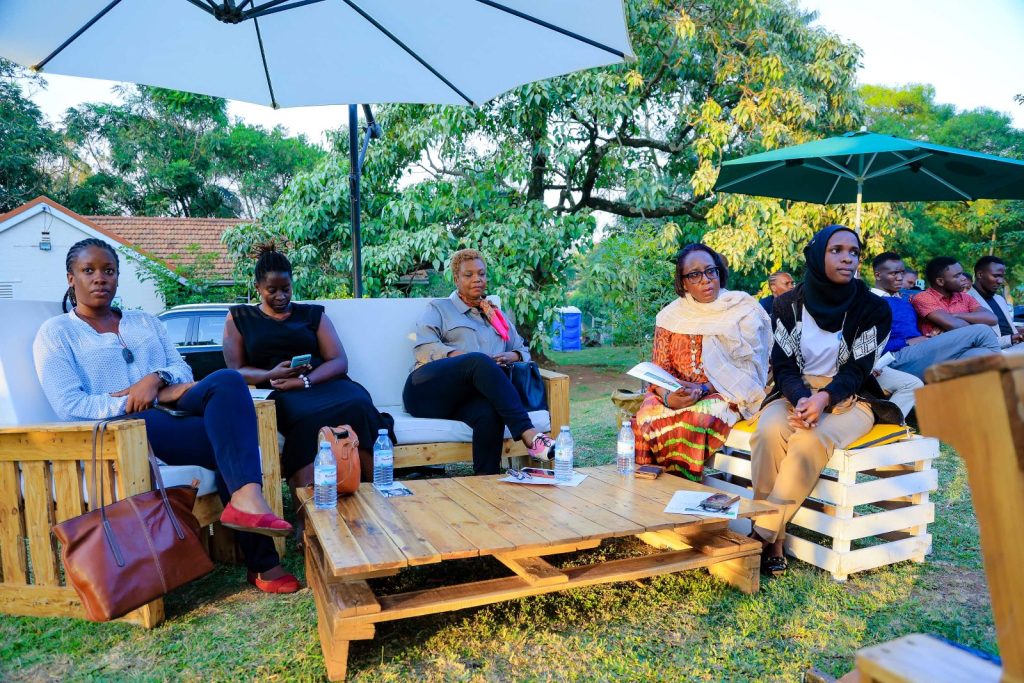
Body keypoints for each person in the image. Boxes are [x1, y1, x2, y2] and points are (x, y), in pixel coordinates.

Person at [33, 238, 298, 594]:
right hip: (126, 427)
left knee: (228, 379)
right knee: (228, 441)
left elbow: (181, 367)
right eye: (89, 271)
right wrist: (133, 400)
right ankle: (263, 560)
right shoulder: (57, 333)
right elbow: (69, 404)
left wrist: (155, 380)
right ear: (71, 278)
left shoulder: (144, 321)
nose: (100, 279)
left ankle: (246, 503)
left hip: (172, 404)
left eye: (108, 271)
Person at [750, 225, 903, 575]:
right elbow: (785, 366)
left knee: (809, 439)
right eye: (837, 250)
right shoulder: (786, 304)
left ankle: (760, 535)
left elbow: (858, 371)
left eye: (854, 251)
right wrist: (804, 398)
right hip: (794, 392)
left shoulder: (873, 308)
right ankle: (775, 538)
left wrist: (823, 399)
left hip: (852, 397)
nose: (848, 257)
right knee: (769, 431)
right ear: (818, 255)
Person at [223, 244, 395, 540]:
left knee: (359, 404)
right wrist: (270, 374)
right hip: (280, 392)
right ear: (257, 288)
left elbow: (338, 361)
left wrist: (305, 381)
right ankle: (308, 517)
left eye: (286, 288)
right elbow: (235, 370)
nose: (280, 296)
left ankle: (376, 496)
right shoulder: (239, 318)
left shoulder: (312, 315)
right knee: (305, 418)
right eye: (271, 290)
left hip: (323, 383)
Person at [403, 249, 554, 474]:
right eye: (469, 274)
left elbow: (522, 350)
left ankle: (487, 482)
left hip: (465, 400)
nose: (477, 279)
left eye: (481, 274)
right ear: (456, 279)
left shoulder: (495, 315)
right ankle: (529, 435)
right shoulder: (439, 308)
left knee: (489, 412)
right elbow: (423, 346)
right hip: (426, 392)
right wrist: (465, 359)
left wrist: (508, 357)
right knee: (478, 362)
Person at [634, 244, 770, 481]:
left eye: (711, 271)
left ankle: (684, 489)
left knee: (697, 419)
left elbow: (748, 371)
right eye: (695, 275)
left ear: (719, 273)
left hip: (723, 392)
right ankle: (649, 492)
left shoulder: (742, 310)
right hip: (672, 391)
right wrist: (669, 396)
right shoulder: (670, 316)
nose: (706, 280)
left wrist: (703, 389)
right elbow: (658, 369)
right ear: (683, 283)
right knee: (644, 418)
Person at [871, 252, 999, 382]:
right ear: (878, 275)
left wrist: (931, 334)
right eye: (894, 273)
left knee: (981, 354)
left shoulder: (904, 300)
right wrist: (907, 342)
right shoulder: (870, 302)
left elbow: (992, 319)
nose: (900, 278)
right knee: (982, 330)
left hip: (921, 352)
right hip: (894, 359)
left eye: (902, 273)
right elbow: (866, 345)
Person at [911, 257, 997, 337]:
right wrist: (980, 324)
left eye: (962, 273)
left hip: (967, 344)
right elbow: (955, 325)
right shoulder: (924, 297)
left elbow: (992, 318)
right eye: (957, 276)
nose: (963, 278)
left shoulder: (965, 297)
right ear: (940, 281)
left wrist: (955, 315)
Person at [968, 255, 1024, 350]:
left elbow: (1008, 329)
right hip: (994, 352)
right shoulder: (965, 300)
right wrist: (1012, 338)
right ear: (980, 275)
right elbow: (976, 342)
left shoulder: (999, 299)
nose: (1001, 281)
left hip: (1016, 346)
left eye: (1002, 276)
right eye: (996, 276)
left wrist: (1020, 333)